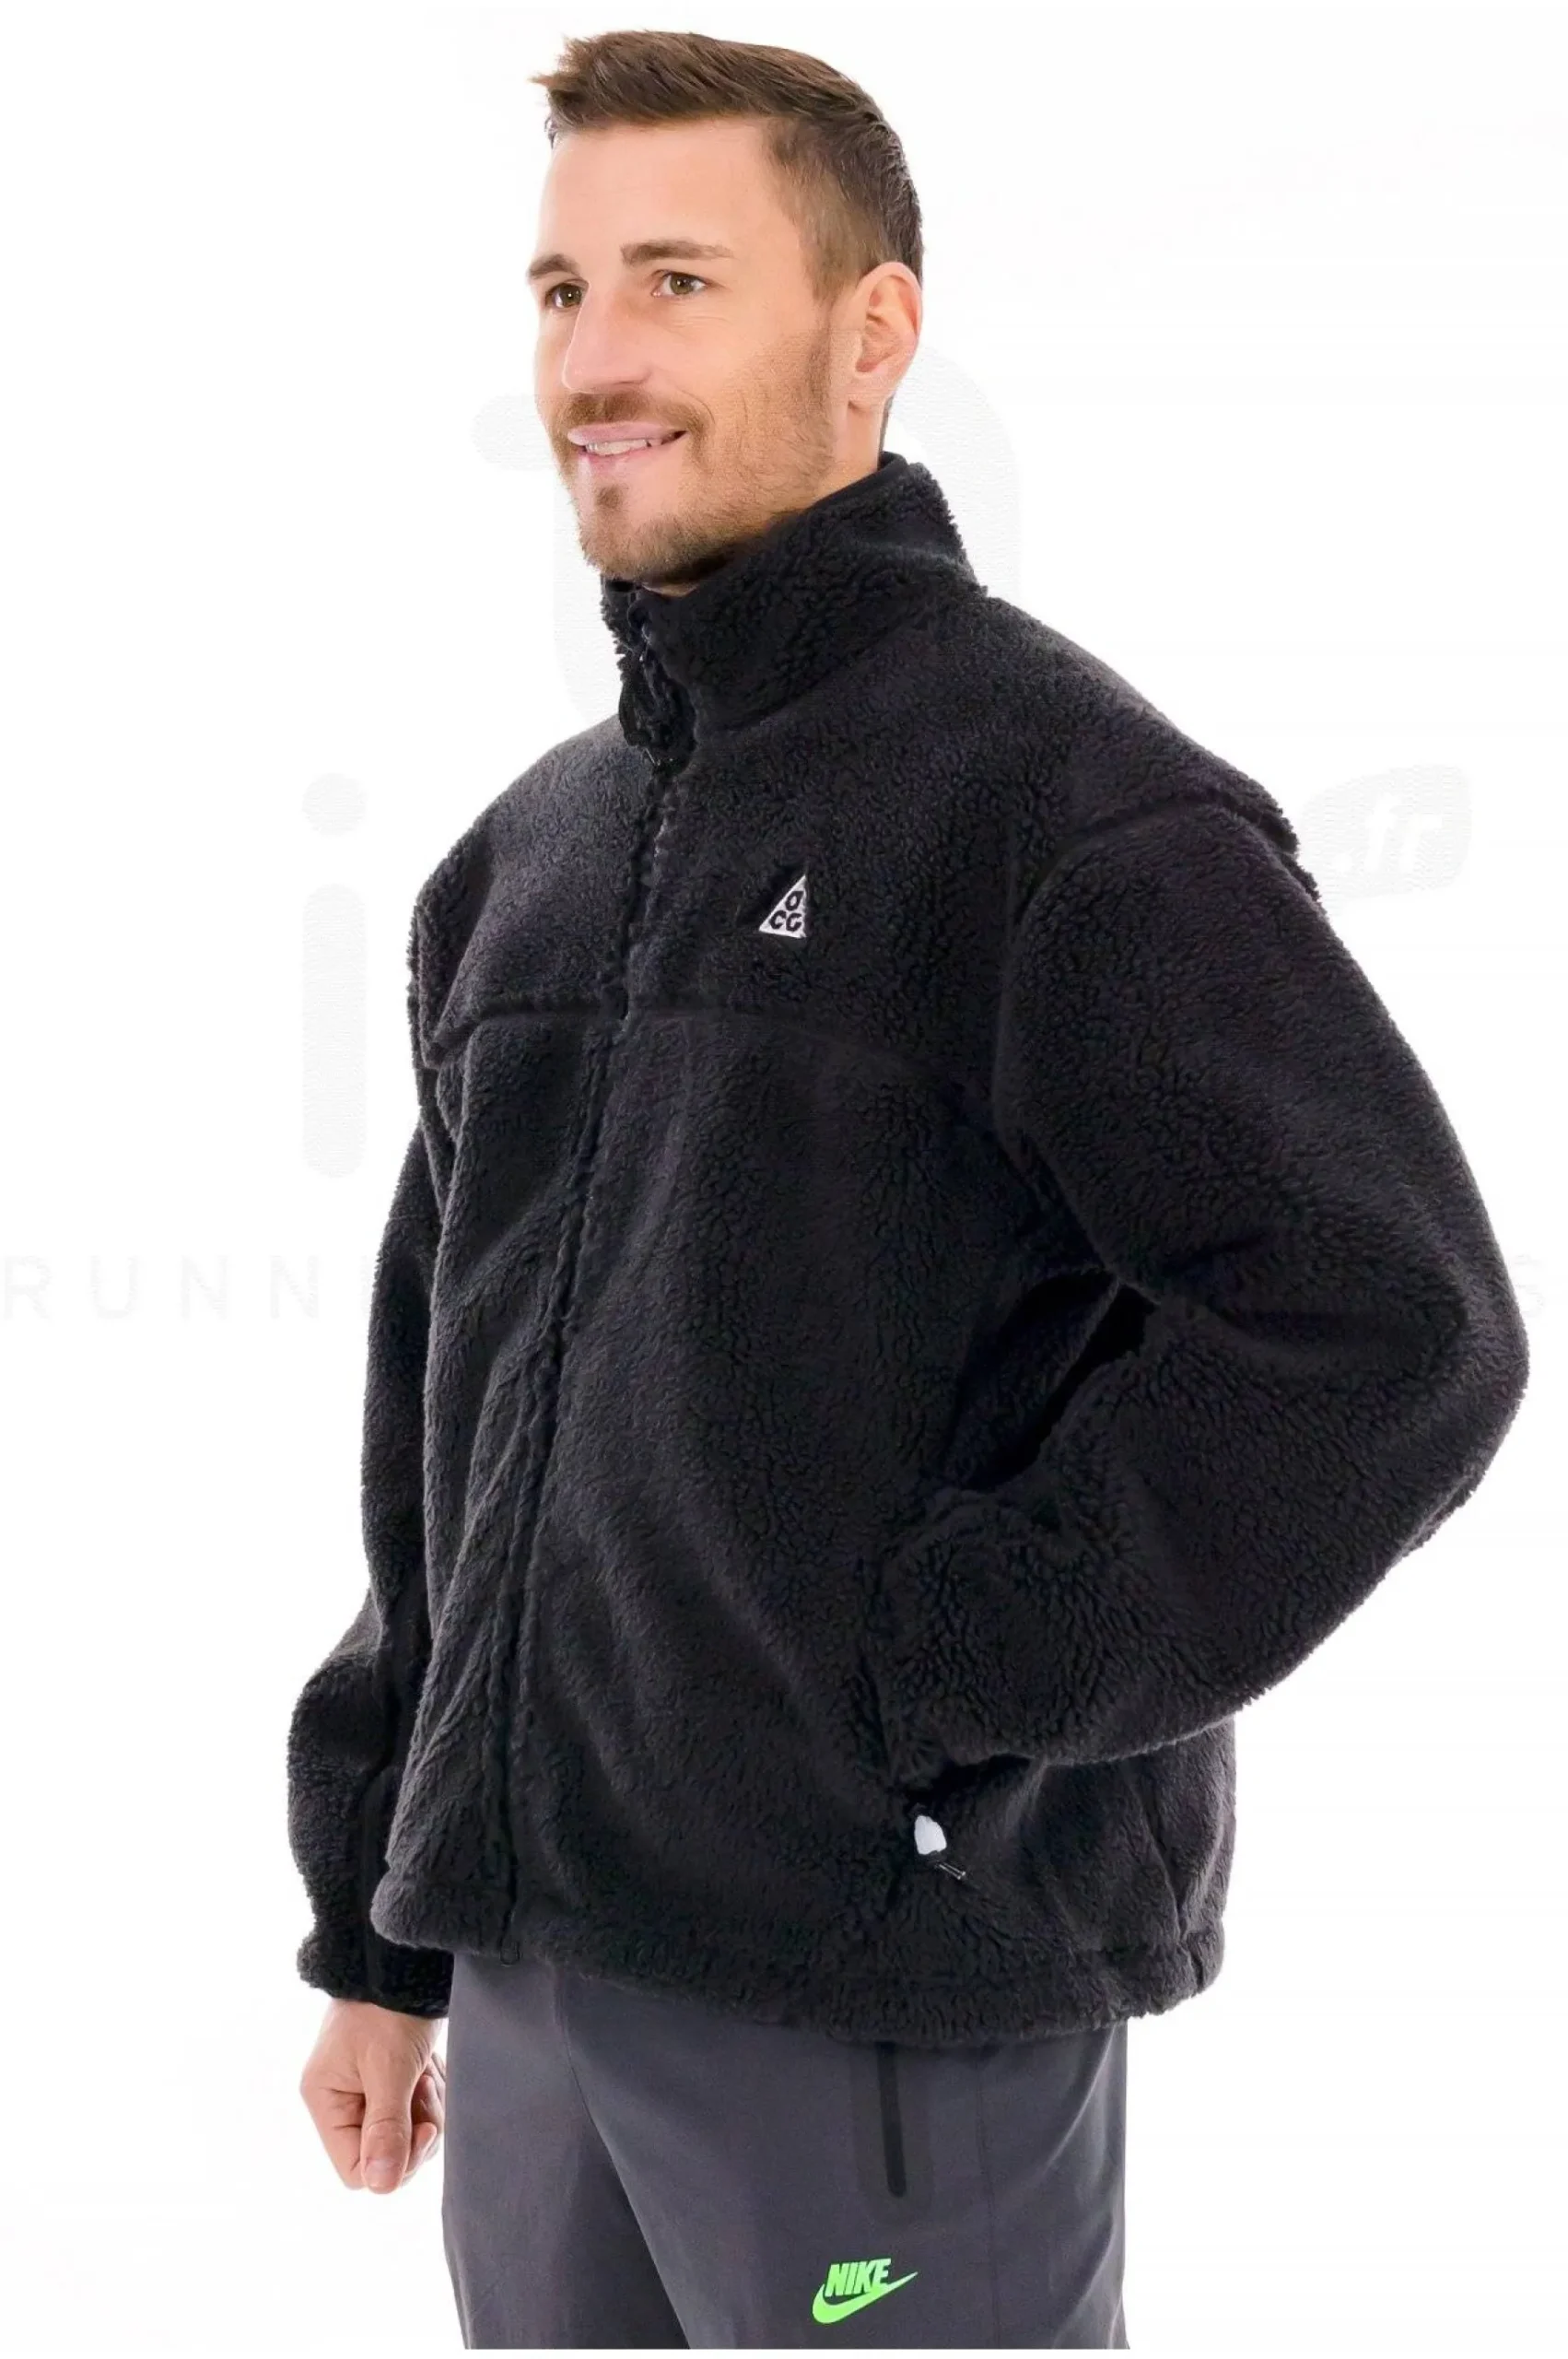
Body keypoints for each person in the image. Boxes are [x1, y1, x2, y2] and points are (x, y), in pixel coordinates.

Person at [289, 28, 1530, 2351]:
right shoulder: (523, 862)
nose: (595, 357)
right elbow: (432, 1428)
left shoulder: (1057, 810)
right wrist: (379, 1918)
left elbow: (1384, 1323)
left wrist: (948, 1666)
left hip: (880, 1976)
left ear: (872, 330)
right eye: (560, 289)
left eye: (675, 280)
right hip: (537, 1968)